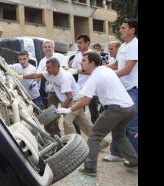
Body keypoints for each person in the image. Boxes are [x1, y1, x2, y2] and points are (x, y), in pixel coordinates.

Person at [56, 51, 138, 176]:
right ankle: (134, 161)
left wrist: (69, 110)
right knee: (119, 135)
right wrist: (76, 71)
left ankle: (90, 168)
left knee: (94, 135)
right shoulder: (106, 70)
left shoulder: (95, 76)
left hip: (115, 109)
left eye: (84, 61)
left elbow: (85, 100)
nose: (81, 63)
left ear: (92, 63)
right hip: (129, 108)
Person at [22, 58, 108, 150]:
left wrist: (61, 110)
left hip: (76, 101)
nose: (46, 69)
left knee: (67, 121)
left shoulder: (64, 76)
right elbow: (36, 75)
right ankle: (102, 142)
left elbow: (69, 96)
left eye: (48, 67)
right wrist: (21, 76)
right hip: (70, 100)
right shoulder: (49, 73)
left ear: (56, 67)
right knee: (84, 123)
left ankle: (73, 146)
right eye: (46, 67)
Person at [104, 19, 138, 162]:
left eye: (124, 28)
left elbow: (128, 69)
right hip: (122, 90)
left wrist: (110, 74)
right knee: (117, 122)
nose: (121, 30)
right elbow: (117, 64)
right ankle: (116, 153)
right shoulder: (123, 46)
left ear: (132, 30)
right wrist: (102, 69)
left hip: (133, 90)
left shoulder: (135, 45)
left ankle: (133, 157)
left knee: (131, 125)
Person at [36, 40, 67, 137]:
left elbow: (64, 71)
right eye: (45, 47)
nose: (47, 48)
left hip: (64, 91)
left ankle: (74, 136)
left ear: (53, 48)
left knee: (68, 115)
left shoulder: (61, 57)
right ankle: (57, 137)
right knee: (51, 116)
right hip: (51, 92)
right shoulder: (42, 61)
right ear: (43, 49)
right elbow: (38, 76)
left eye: (49, 46)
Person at [71, 35, 101, 124]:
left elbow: (94, 71)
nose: (78, 45)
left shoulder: (94, 54)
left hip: (93, 90)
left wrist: (77, 71)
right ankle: (78, 135)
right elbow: (74, 70)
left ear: (87, 43)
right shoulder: (77, 56)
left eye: (80, 43)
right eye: (77, 43)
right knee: (78, 114)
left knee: (94, 114)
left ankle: (97, 135)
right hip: (80, 88)